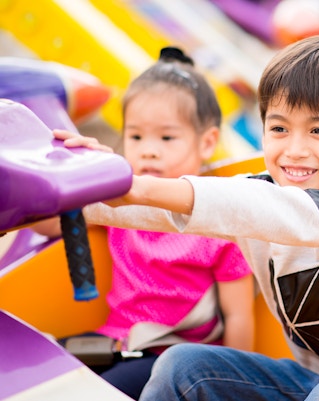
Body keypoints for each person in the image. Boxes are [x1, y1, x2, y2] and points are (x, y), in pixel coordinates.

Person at [54, 35, 319, 401]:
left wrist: (138, 186)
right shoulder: (258, 190)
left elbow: (252, 206)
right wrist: (90, 180)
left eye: (318, 130)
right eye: (279, 128)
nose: (295, 150)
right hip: (307, 380)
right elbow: (159, 210)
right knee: (181, 364)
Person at [35, 47, 255, 400]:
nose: (149, 150)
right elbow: (47, 225)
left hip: (170, 355)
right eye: (136, 137)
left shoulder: (217, 223)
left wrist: (235, 385)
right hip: (109, 344)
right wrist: (62, 169)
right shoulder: (119, 203)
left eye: (167, 138)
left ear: (207, 142)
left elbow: (239, 318)